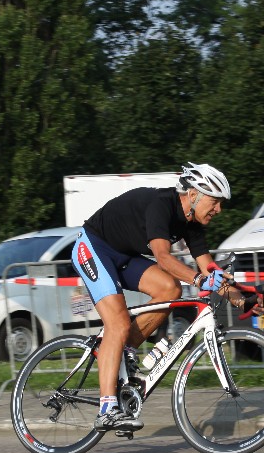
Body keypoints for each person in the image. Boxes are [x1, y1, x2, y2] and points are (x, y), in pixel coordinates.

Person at [72, 162, 241, 432]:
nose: (218, 209)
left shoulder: (192, 223)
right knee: (118, 323)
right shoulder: (161, 205)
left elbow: (209, 268)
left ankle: (122, 351)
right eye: (215, 201)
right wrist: (199, 280)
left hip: (123, 255)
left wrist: (242, 299)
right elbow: (163, 258)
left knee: (170, 290)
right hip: (93, 246)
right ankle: (107, 409)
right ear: (194, 195)